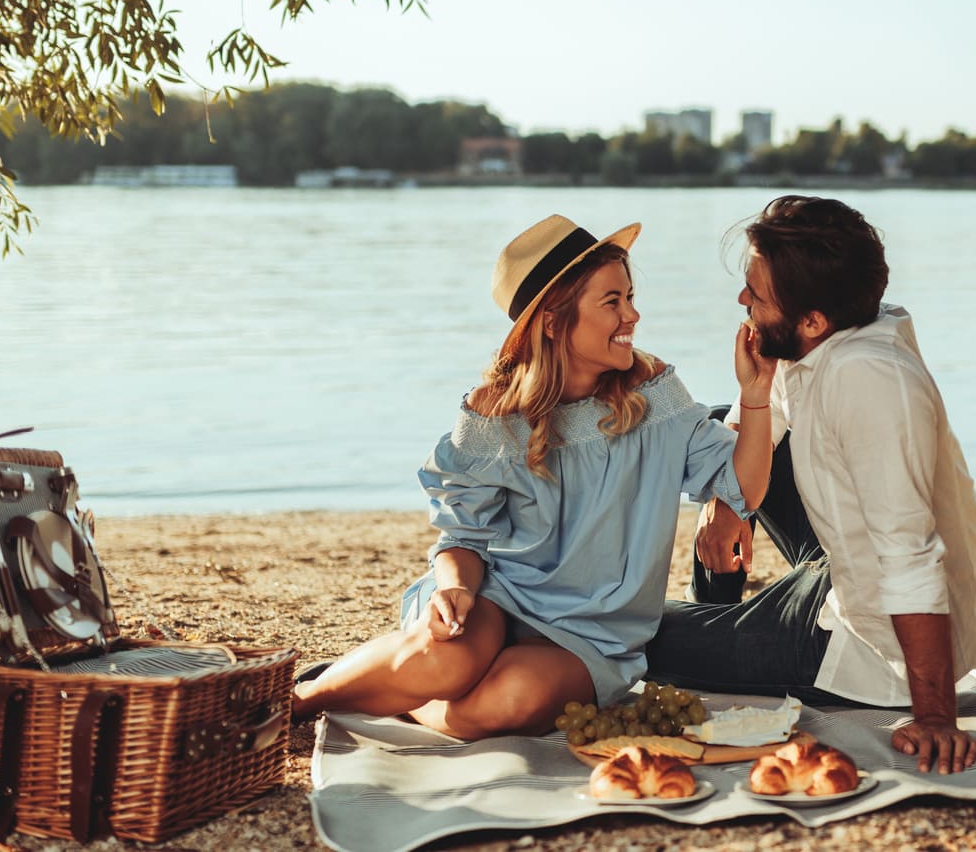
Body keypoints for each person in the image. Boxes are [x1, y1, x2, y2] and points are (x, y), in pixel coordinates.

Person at [292, 215, 775, 735]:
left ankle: (403, 699)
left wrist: (755, 395)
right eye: (611, 302)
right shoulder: (493, 415)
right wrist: (451, 589)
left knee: (502, 703)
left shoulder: (654, 394)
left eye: (629, 296)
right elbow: (464, 537)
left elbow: (743, 488)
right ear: (553, 321)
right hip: (498, 597)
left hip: (594, 634)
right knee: (444, 662)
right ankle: (299, 699)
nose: (632, 314)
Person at [645, 195, 976, 774]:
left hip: (868, 647)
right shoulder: (826, 334)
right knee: (720, 424)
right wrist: (728, 505)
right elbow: (769, 415)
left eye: (755, 294)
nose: (741, 301)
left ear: (812, 321)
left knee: (632, 636)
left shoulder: (870, 381)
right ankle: (721, 607)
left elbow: (910, 558)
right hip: (842, 564)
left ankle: (723, 634)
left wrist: (935, 717)